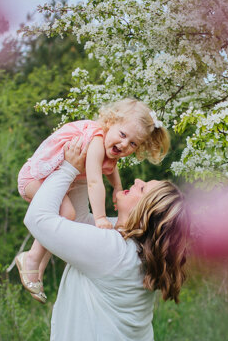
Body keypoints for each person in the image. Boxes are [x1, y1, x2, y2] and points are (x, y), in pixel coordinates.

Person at [23, 136, 190, 341]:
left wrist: (66, 169)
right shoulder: (125, 240)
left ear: (145, 211)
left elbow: (39, 219)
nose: (136, 179)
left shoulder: (111, 249)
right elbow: (84, 221)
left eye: (142, 188)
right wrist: (85, 169)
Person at [15, 99, 170, 303]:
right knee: (67, 215)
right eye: (122, 135)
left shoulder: (110, 148)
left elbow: (111, 168)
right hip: (34, 178)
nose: (124, 144)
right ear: (110, 122)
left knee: (68, 218)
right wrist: (101, 217)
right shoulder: (97, 140)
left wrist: (116, 188)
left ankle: (38, 267)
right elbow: (95, 181)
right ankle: (31, 259)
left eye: (133, 143)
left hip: (52, 181)